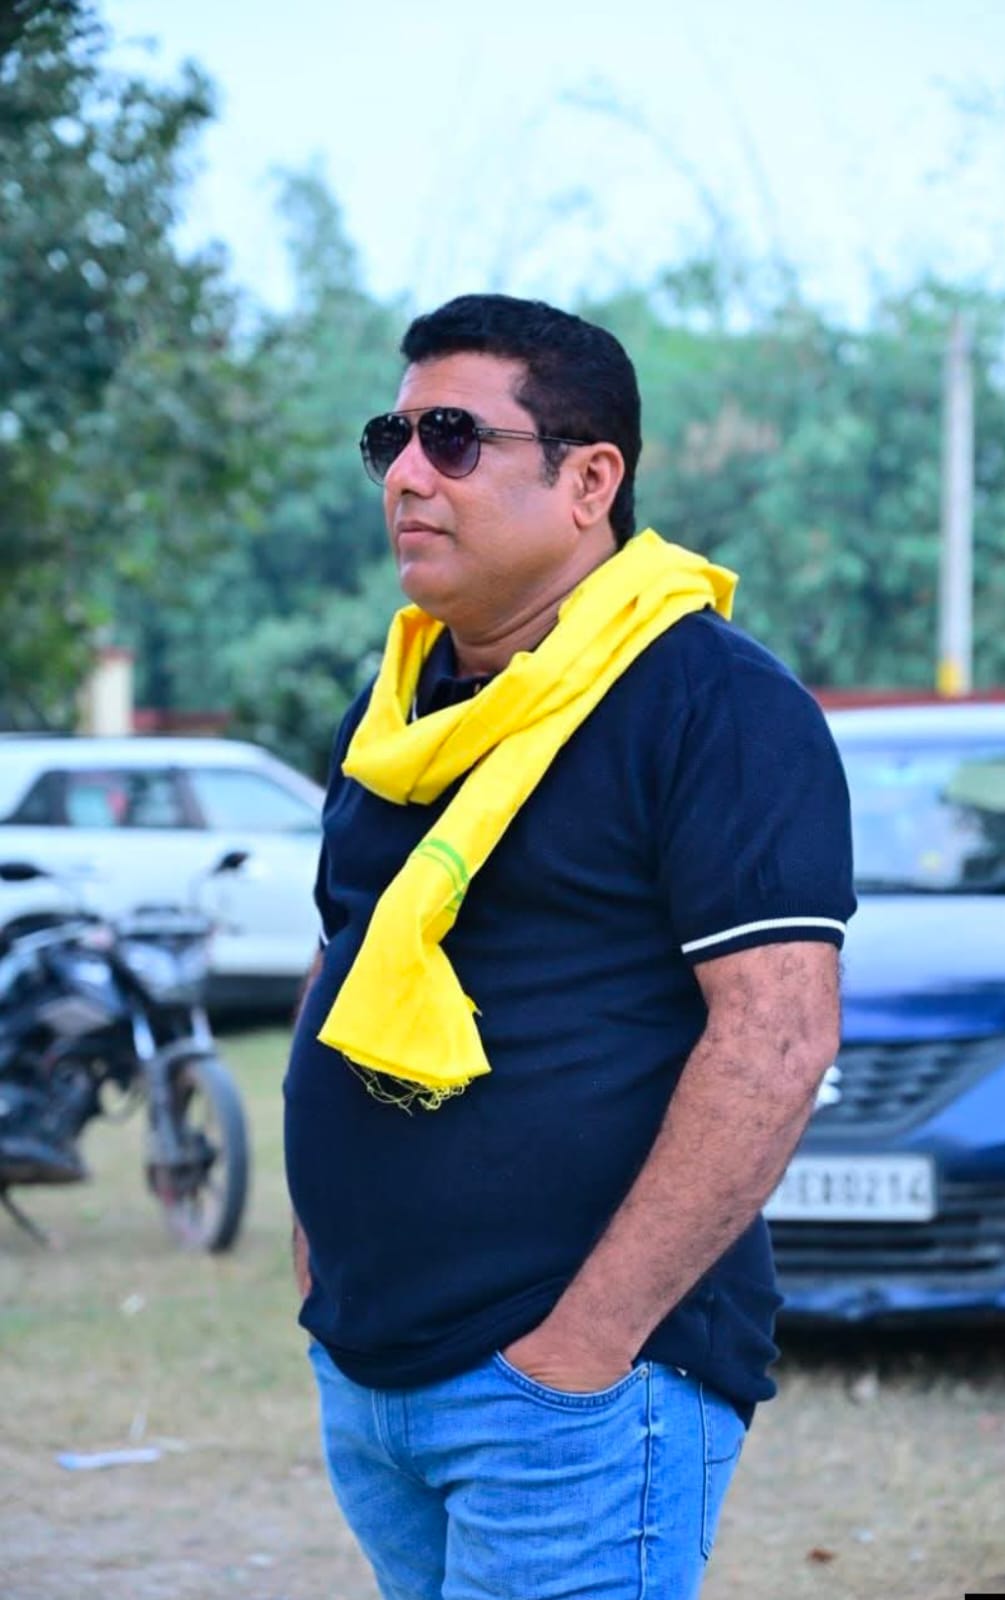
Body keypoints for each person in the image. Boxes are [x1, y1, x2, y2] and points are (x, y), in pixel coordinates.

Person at [284, 292, 855, 1600]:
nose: (407, 475)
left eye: (452, 438)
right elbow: (344, 958)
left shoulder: (712, 702)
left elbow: (777, 1039)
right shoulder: (399, 709)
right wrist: (322, 1258)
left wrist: (582, 1350)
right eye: (391, 439)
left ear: (590, 480)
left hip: (572, 1394)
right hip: (373, 1369)